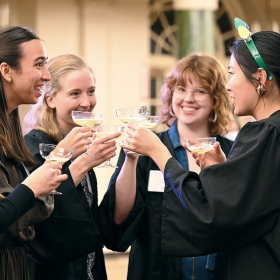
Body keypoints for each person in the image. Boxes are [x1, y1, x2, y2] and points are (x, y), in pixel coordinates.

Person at [117, 22, 280, 279]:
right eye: (180, 89)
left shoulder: (264, 134)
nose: (228, 86)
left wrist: (160, 154)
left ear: (260, 78)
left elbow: (212, 215)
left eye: (233, 74)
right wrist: (221, 172)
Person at [99, 53, 233, 280]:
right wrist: (131, 161)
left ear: (216, 99)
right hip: (157, 272)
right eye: (180, 89)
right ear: (171, 94)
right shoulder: (147, 147)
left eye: (200, 91)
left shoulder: (232, 152)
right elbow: (119, 220)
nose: (188, 98)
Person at [24, 54, 120, 280]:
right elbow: (44, 223)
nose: (86, 102)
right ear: (50, 100)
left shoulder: (83, 145)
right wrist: (84, 162)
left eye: (91, 91)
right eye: (75, 93)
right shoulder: (34, 148)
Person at [0, 25, 68, 280]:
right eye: (38, 65)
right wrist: (31, 188)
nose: (47, 76)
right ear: (7, 71)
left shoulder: (9, 126)